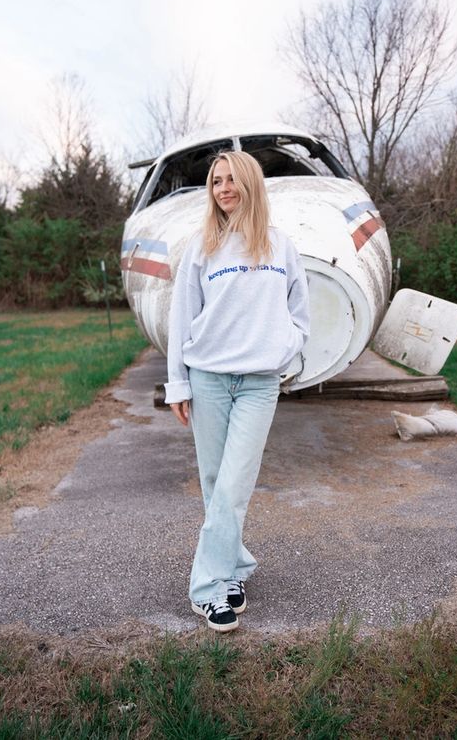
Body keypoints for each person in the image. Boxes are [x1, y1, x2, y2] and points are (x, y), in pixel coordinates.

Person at [164, 150, 310, 632]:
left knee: (234, 484)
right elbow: (180, 318)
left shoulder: (280, 246)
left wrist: (284, 349)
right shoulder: (202, 247)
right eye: (216, 181)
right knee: (215, 484)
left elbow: (300, 315)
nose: (223, 188)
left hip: (258, 383)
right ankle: (231, 572)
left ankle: (206, 588)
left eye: (231, 179)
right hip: (207, 377)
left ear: (251, 183)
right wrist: (178, 384)